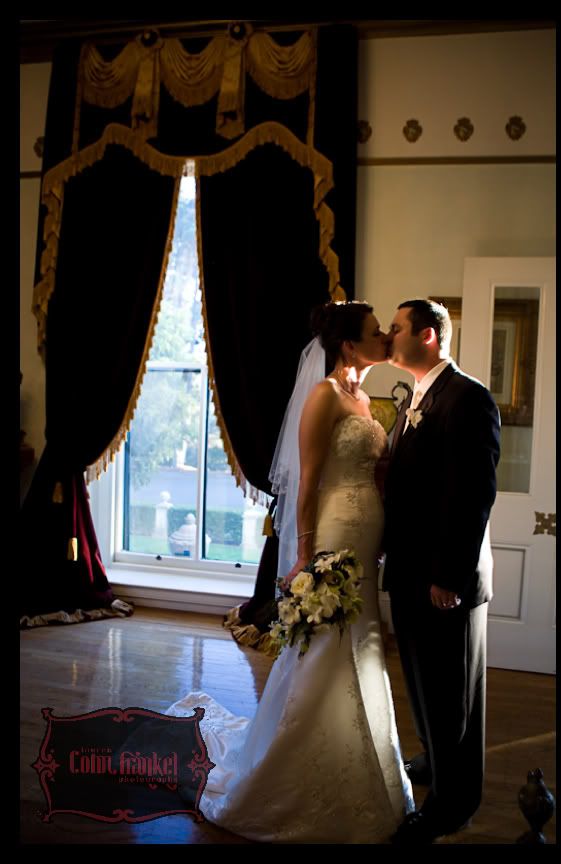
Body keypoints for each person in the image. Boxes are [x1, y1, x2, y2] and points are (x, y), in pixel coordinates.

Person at [164, 300, 414, 843]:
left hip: (367, 535)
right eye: (375, 333)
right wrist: (305, 554)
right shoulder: (324, 395)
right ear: (349, 345)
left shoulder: (363, 398)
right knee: (327, 643)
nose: (385, 339)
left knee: (362, 640)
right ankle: (293, 764)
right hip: (334, 532)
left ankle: (360, 758)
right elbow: (307, 481)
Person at [382, 299, 501, 845]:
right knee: (423, 682)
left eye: (398, 327)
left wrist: (448, 577)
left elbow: (471, 495)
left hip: (443, 579)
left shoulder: (467, 397)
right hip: (411, 571)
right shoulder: (418, 397)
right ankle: (434, 759)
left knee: (453, 694)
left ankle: (452, 805)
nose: (389, 334)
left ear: (427, 335)